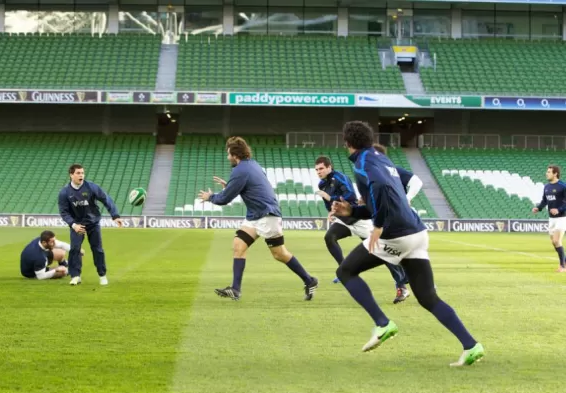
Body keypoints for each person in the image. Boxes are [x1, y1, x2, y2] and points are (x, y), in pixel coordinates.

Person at [331, 121, 484, 367]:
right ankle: (471, 345)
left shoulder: (363, 164)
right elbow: (381, 199)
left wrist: (378, 224)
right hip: (417, 233)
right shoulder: (381, 158)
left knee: (346, 271)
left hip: (396, 235)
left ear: (347, 143)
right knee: (427, 297)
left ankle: (382, 324)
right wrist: (351, 210)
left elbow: (380, 191)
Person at [198, 136, 318, 301]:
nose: (227, 158)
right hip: (257, 215)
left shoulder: (240, 171)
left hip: (266, 216)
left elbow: (224, 199)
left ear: (235, 154)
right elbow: (250, 187)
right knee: (239, 245)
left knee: (279, 253)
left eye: (228, 154)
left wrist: (210, 197)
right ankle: (236, 289)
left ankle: (309, 280)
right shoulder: (252, 165)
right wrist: (229, 187)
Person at [314, 156, 410, 304]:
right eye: (316, 169)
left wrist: (329, 197)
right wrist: (331, 211)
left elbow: (350, 196)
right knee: (329, 237)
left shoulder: (340, 177)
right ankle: (343, 270)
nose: (318, 172)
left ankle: (403, 284)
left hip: (358, 219)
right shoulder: (322, 184)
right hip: (345, 220)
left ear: (329, 167)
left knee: (382, 253)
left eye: (321, 168)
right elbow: (330, 205)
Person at [58, 164, 122, 286]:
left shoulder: (91, 187)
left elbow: (106, 199)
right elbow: (64, 212)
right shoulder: (64, 192)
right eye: (78, 173)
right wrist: (73, 225)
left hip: (93, 222)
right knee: (75, 249)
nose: (81, 175)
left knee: (97, 249)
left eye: (82, 173)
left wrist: (115, 216)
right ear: (71, 175)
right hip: (77, 225)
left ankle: (102, 275)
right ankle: (75, 276)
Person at [532, 165, 566, 272]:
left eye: (549, 172)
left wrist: (559, 209)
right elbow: (544, 201)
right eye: (547, 171)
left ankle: (563, 266)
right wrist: (538, 208)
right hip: (551, 219)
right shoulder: (546, 186)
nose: (546, 173)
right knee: (553, 242)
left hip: (562, 217)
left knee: (557, 240)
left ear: (555, 173)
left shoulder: (563, 186)